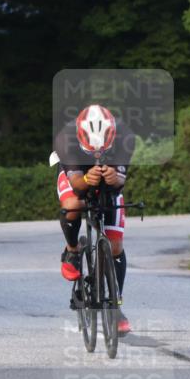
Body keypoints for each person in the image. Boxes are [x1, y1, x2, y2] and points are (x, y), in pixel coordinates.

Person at [54, 104, 133, 335]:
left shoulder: (125, 135)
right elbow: (77, 185)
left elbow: (120, 182)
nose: (96, 153)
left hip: (107, 182)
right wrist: (87, 179)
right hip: (77, 174)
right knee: (72, 205)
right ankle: (72, 250)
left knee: (116, 244)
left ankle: (116, 307)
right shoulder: (65, 138)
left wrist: (114, 176)